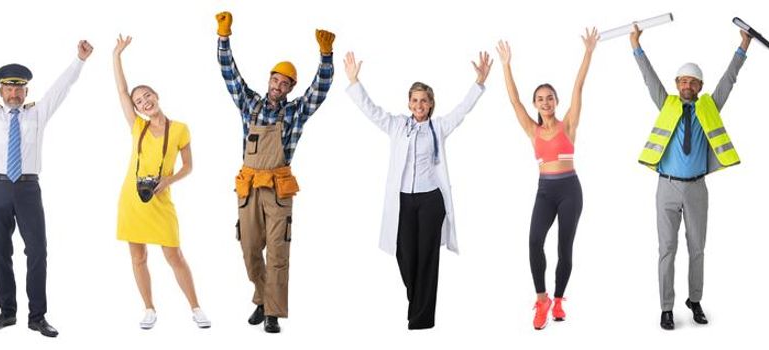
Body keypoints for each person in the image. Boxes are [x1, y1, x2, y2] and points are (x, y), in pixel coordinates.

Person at [0, 32, 90, 338]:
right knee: (0, 250)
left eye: (19, 88)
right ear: (1, 90)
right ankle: (7, 312)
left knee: (38, 250)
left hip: (27, 188)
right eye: (9, 87)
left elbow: (60, 89)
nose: (14, 92)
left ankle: (37, 316)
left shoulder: (37, 114)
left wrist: (79, 60)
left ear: (26, 92)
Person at [344, 49, 492, 330]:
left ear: (431, 103)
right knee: (405, 254)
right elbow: (371, 110)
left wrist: (479, 83)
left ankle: (422, 319)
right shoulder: (398, 126)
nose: (419, 104)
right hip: (403, 200)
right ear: (409, 103)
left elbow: (462, 109)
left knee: (428, 257)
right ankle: (417, 300)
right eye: (414, 100)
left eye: (424, 100)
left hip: (431, 200)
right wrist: (355, 82)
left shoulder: (439, 127)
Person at [213, 11, 336, 334]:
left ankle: (272, 313)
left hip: (279, 190)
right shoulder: (249, 103)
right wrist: (223, 37)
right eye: (275, 80)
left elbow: (320, 90)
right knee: (249, 248)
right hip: (249, 187)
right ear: (269, 80)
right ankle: (262, 297)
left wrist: (326, 57)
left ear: (291, 88)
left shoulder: (296, 112)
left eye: (285, 83)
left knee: (278, 252)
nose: (278, 86)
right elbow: (229, 74)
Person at [627, 21, 754, 331]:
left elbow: (729, 80)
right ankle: (666, 307)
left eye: (693, 82)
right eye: (683, 81)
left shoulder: (709, 108)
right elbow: (648, 79)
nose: (687, 86)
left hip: (697, 188)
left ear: (699, 86)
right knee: (666, 249)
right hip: (666, 188)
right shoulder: (666, 104)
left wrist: (744, 46)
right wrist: (636, 46)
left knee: (697, 248)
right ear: (676, 84)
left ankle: (694, 300)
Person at [494, 28, 598, 331]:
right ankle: (542, 300)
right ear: (536, 104)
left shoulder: (569, 124)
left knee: (564, 249)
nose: (545, 102)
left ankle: (559, 299)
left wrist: (588, 53)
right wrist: (506, 65)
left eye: (549, 97)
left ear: (555, 101)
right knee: (534, 242)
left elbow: (579, 86)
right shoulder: (532, 130)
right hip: (545, 191)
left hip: (570, 190)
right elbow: (514, 101)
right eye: (540, 99)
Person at [112, 34, 208, 330]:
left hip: (161, 199)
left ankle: (196, 307)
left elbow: (189, 167)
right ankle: (149, 308)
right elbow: (121, 89)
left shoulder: (180, 129)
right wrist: (117, 55)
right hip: (133, 200)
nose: (143, 102)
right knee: (138, 256)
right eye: (139, 101)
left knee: (174, 255)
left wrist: (169, 180)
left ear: (157, 96)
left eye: (147, 96)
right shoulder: (137, 126)